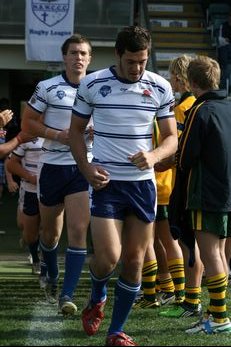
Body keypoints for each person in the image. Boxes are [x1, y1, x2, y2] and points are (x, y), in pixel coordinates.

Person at [69, 25, 178, 346]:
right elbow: (76, 132)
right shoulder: (92, 83)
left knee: (134, 261)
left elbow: (171, 138)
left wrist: (154, 155)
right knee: (109, 257)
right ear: (118, 55)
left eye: (143, 61)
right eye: (132, 61)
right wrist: (86, 168)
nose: (138, 67)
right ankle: (98, 295)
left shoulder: (159, 86)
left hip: (143, 187)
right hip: (106, 184)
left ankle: (116, 331)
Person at [21, 34, 93, 313]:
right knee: (50, 234)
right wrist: (57, 134)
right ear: (64, 57)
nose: (78, 58)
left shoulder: (99, 88)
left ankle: (67, 294)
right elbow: (28, 123)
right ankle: (50, 273)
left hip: (81, 166)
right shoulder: (47, 86)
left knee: (78, 231)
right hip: (51, 166)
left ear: (90, 58)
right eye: (73, 53)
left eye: (84, 53)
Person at [166, 55, 231, 334]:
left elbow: (186, 156)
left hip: (207, 192)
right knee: (221, 253)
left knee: (211, 252)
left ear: (192, 83)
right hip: (227, 191)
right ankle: (218, 314)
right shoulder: (228, 107)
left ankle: (219, 319)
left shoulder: (200, 110)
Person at [156, 55, 204, 318]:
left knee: (182, 241)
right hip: (187, 183)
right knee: (186, 242)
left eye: (174, 75)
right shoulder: (193, 104)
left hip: (177, 183)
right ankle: (185, 295)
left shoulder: (183, 108)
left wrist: (156, 164)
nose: (171, 80)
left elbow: (177, 151)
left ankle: (185, 296)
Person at [6, 137, 44, 275]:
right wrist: (11, 181)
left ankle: (39, 261)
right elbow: (9, 161)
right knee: (25, 227)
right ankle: (31, 244)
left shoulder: (59, 136)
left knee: (45, 228)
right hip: (29, 189)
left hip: (49, 191)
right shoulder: (26, 137)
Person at [217, 11, 231, 90]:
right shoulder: (223, 26)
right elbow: (221, 39)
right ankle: (223, 87)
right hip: (225, 49)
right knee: (227, 68)